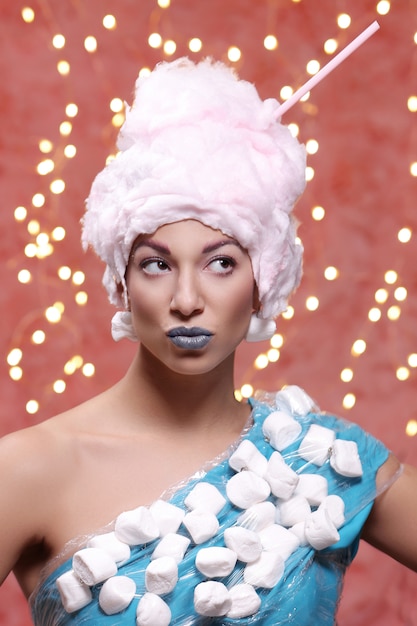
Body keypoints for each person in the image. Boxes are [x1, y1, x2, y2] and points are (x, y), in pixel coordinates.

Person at [0, 57, 416, 626]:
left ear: (262, 282)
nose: (187, 298)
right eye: (156, 264)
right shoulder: (30, 469)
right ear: (122, 283)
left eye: (221, 263)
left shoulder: (315, 461)